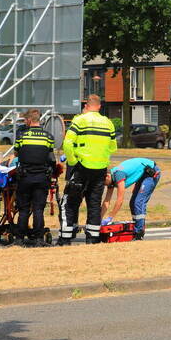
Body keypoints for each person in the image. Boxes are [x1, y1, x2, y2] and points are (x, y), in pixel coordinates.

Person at [59, 94, 116, 245]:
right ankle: (92, 239)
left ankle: (65, 238)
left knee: (69, 202)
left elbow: (67, 144)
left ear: (86, 106)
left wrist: (73, 161)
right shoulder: (108, 123)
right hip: (100, 169)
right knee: (94, 204)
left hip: (81, 167)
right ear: (99, 107)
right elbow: (113, 147)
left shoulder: (80, 120)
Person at [12, 109, 57, 247]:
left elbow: (16, 153)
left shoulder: (22, 136)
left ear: (29, 120)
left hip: (25, 176)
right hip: (41, 177)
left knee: (24, 209)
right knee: (38, 209)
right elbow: (51, 158)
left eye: (25, 120)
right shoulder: (48, 137)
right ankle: (38, 239)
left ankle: (19, 239)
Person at [102, 157, 160, 239]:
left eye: (104, 183)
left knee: (138, 202)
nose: (104, 185)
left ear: (107, 176)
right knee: (132, 203)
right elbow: (106, 201)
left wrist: (110, 217)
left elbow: (120, 199)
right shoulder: (111, 179)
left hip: (151, 172)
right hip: (143, 173)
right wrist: (99, 220)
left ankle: (139, 232)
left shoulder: (118, 174)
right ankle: (137, 227)